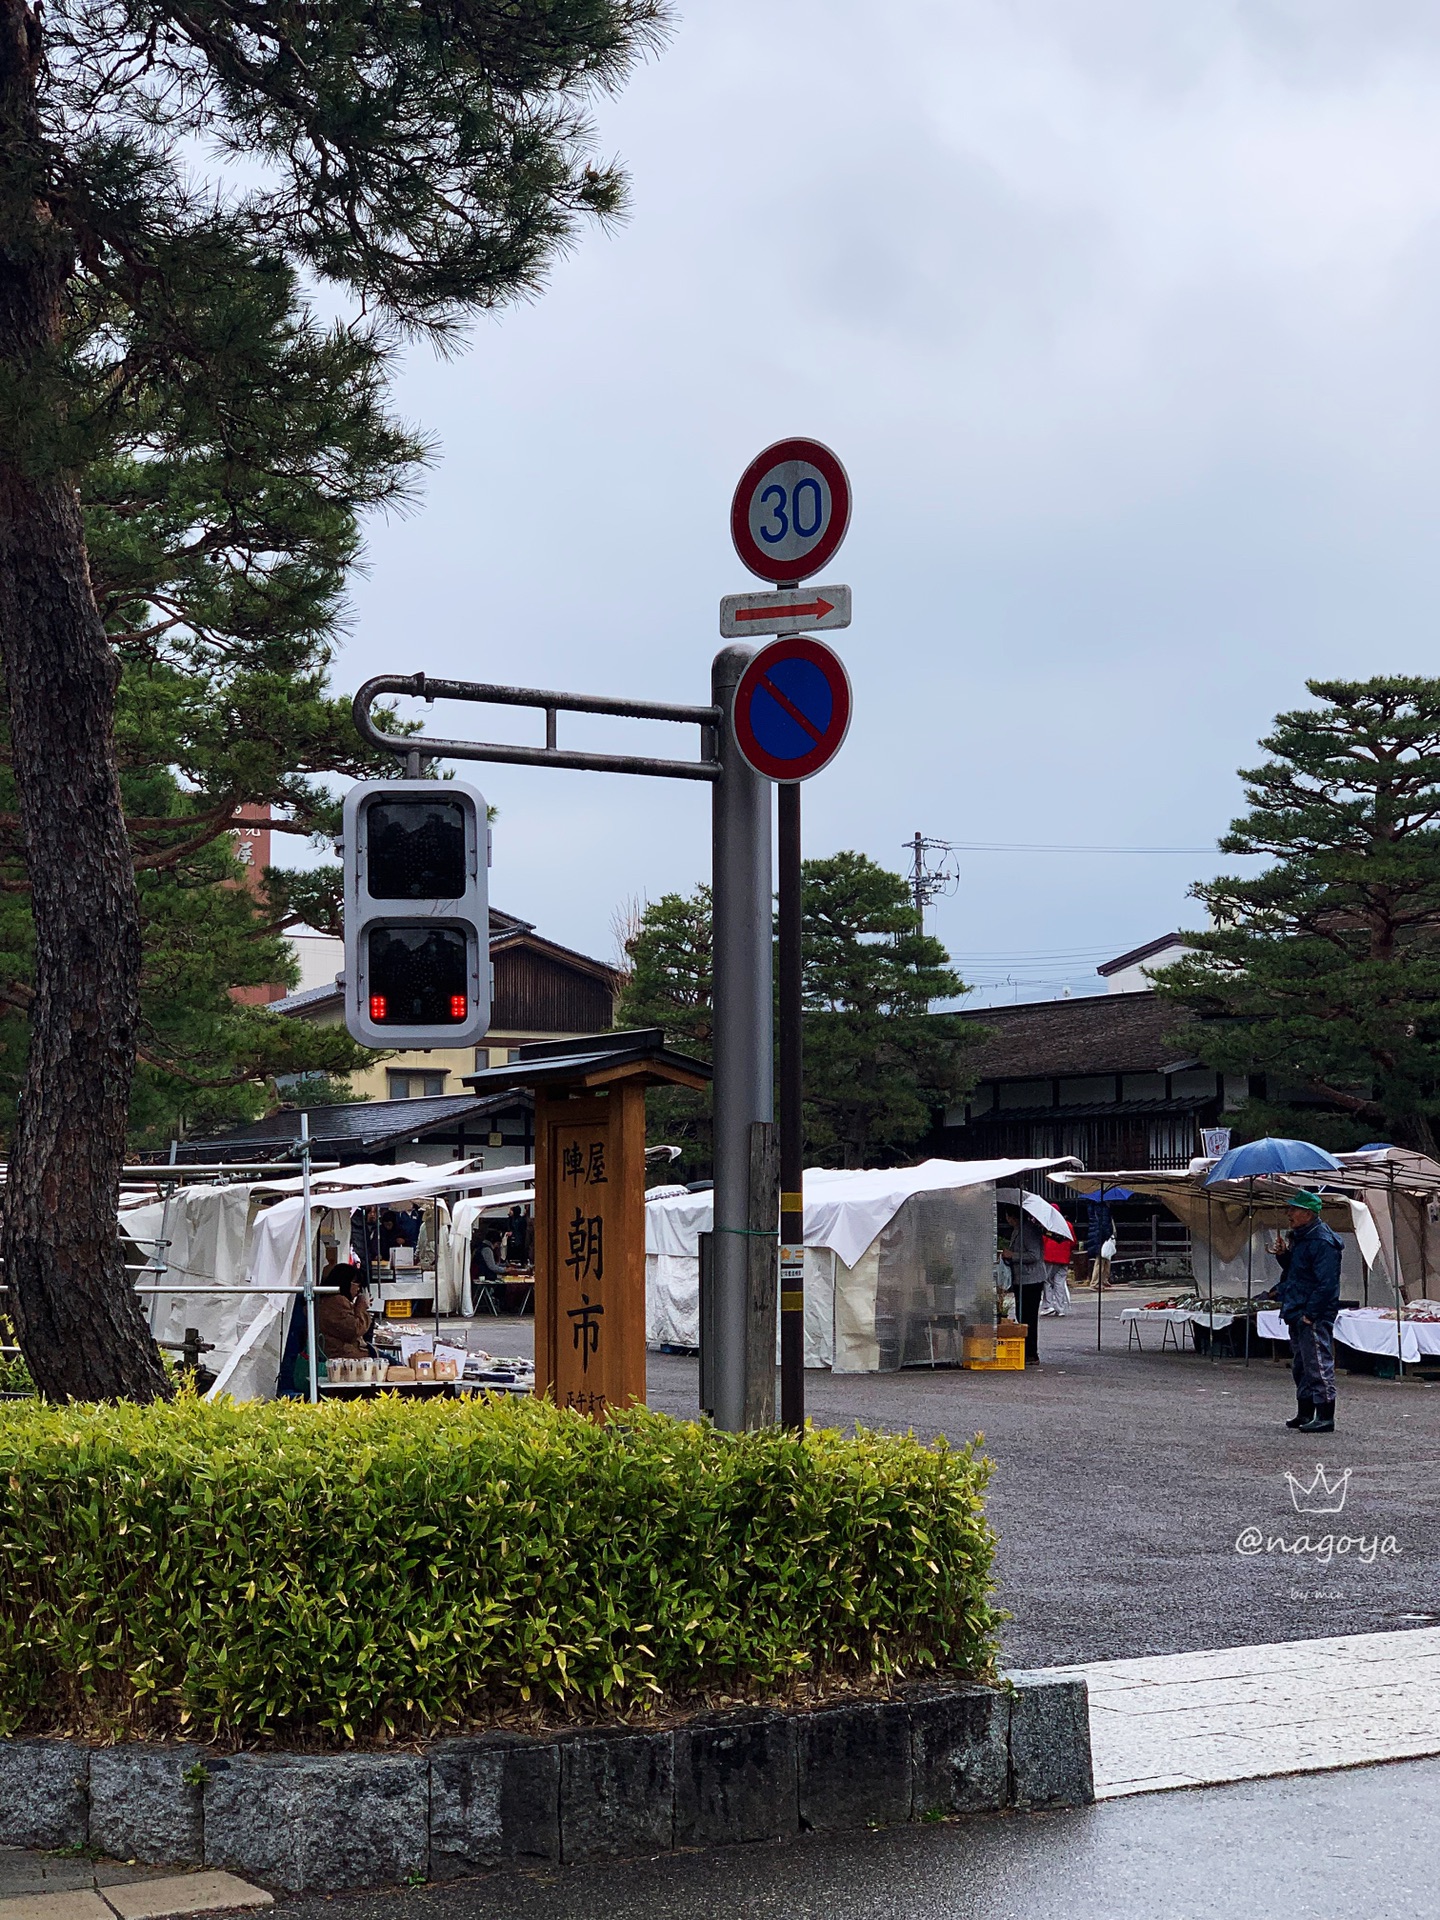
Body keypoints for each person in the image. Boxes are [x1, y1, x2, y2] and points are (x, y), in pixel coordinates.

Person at [1273, 1191, 1343, 1433]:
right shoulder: (1302, 1238)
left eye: (1293, 1209)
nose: (1288, 1214)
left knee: (1318, 1364)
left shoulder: (1322, 1242)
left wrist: (1311, 1314)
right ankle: (1305, 1412)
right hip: (1298, 1308)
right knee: (1301, 1365)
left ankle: (1325, 1415)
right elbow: (1297, 1272)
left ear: (1308, 1213)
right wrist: (1284, 1256)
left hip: (1311, 1311)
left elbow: (1327, 1284)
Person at [1002, 1205, 1048, 1364]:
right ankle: (1026, 1349)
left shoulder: (1028, 1230)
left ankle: (1031, 1352)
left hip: (1031, 1279)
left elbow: (1034, 1255)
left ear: (1011, 1216)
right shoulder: (1019, 1229)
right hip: (1021, 1278)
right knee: (1022, 1315)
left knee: (1029, 1316)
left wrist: (1012, 1255)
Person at [317, 1264, 373, 1360]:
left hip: (344, 1351)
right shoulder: (336, 1302)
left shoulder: (332, 1301)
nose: (358, 1288)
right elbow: (355, 1329)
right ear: (346, 1282)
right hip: (342, 1355)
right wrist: (361, 1307)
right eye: (356, 1283)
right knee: (390, 1361)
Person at [1041, 1230, 1072, 1318]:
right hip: (1064, 1257)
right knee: (1060, 1283)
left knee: (1047, 1281)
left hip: (1049, 1256)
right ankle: (1060, 1308)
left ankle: (1048, 1305)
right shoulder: (1067, 1226)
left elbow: (1042, 1240)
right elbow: (1073, 1241)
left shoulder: (1047, 1226)